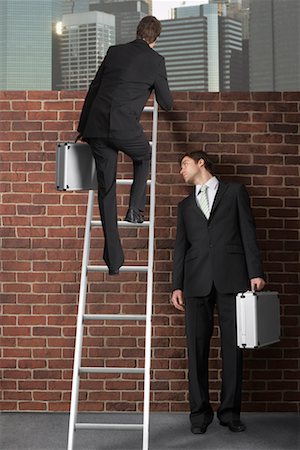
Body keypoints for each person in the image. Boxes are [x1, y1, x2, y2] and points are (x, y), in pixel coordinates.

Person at [171, 151, 266, 435]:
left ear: (201, 163)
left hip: (233, 279)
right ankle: (199, 415)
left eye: (184, 164)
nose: (181, 171)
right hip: (195, 283)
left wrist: (255, 271)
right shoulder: (185, 206)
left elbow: (248, 232)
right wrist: (177, 285)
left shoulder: (235, 192)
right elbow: (180, 248)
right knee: (196, 350)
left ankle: (230, 413)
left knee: (233, 350)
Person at [77, 15, 172, 275]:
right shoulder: (156, 61)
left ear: (138, 31)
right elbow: (167, 102)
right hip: (123, 128)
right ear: (156, 38)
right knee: (144, 155)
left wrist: (81, 128)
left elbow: (94, 89)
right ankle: (134, 210)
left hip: (96, 127)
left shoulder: (114, 52)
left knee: (106, 190)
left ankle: (114, 260)